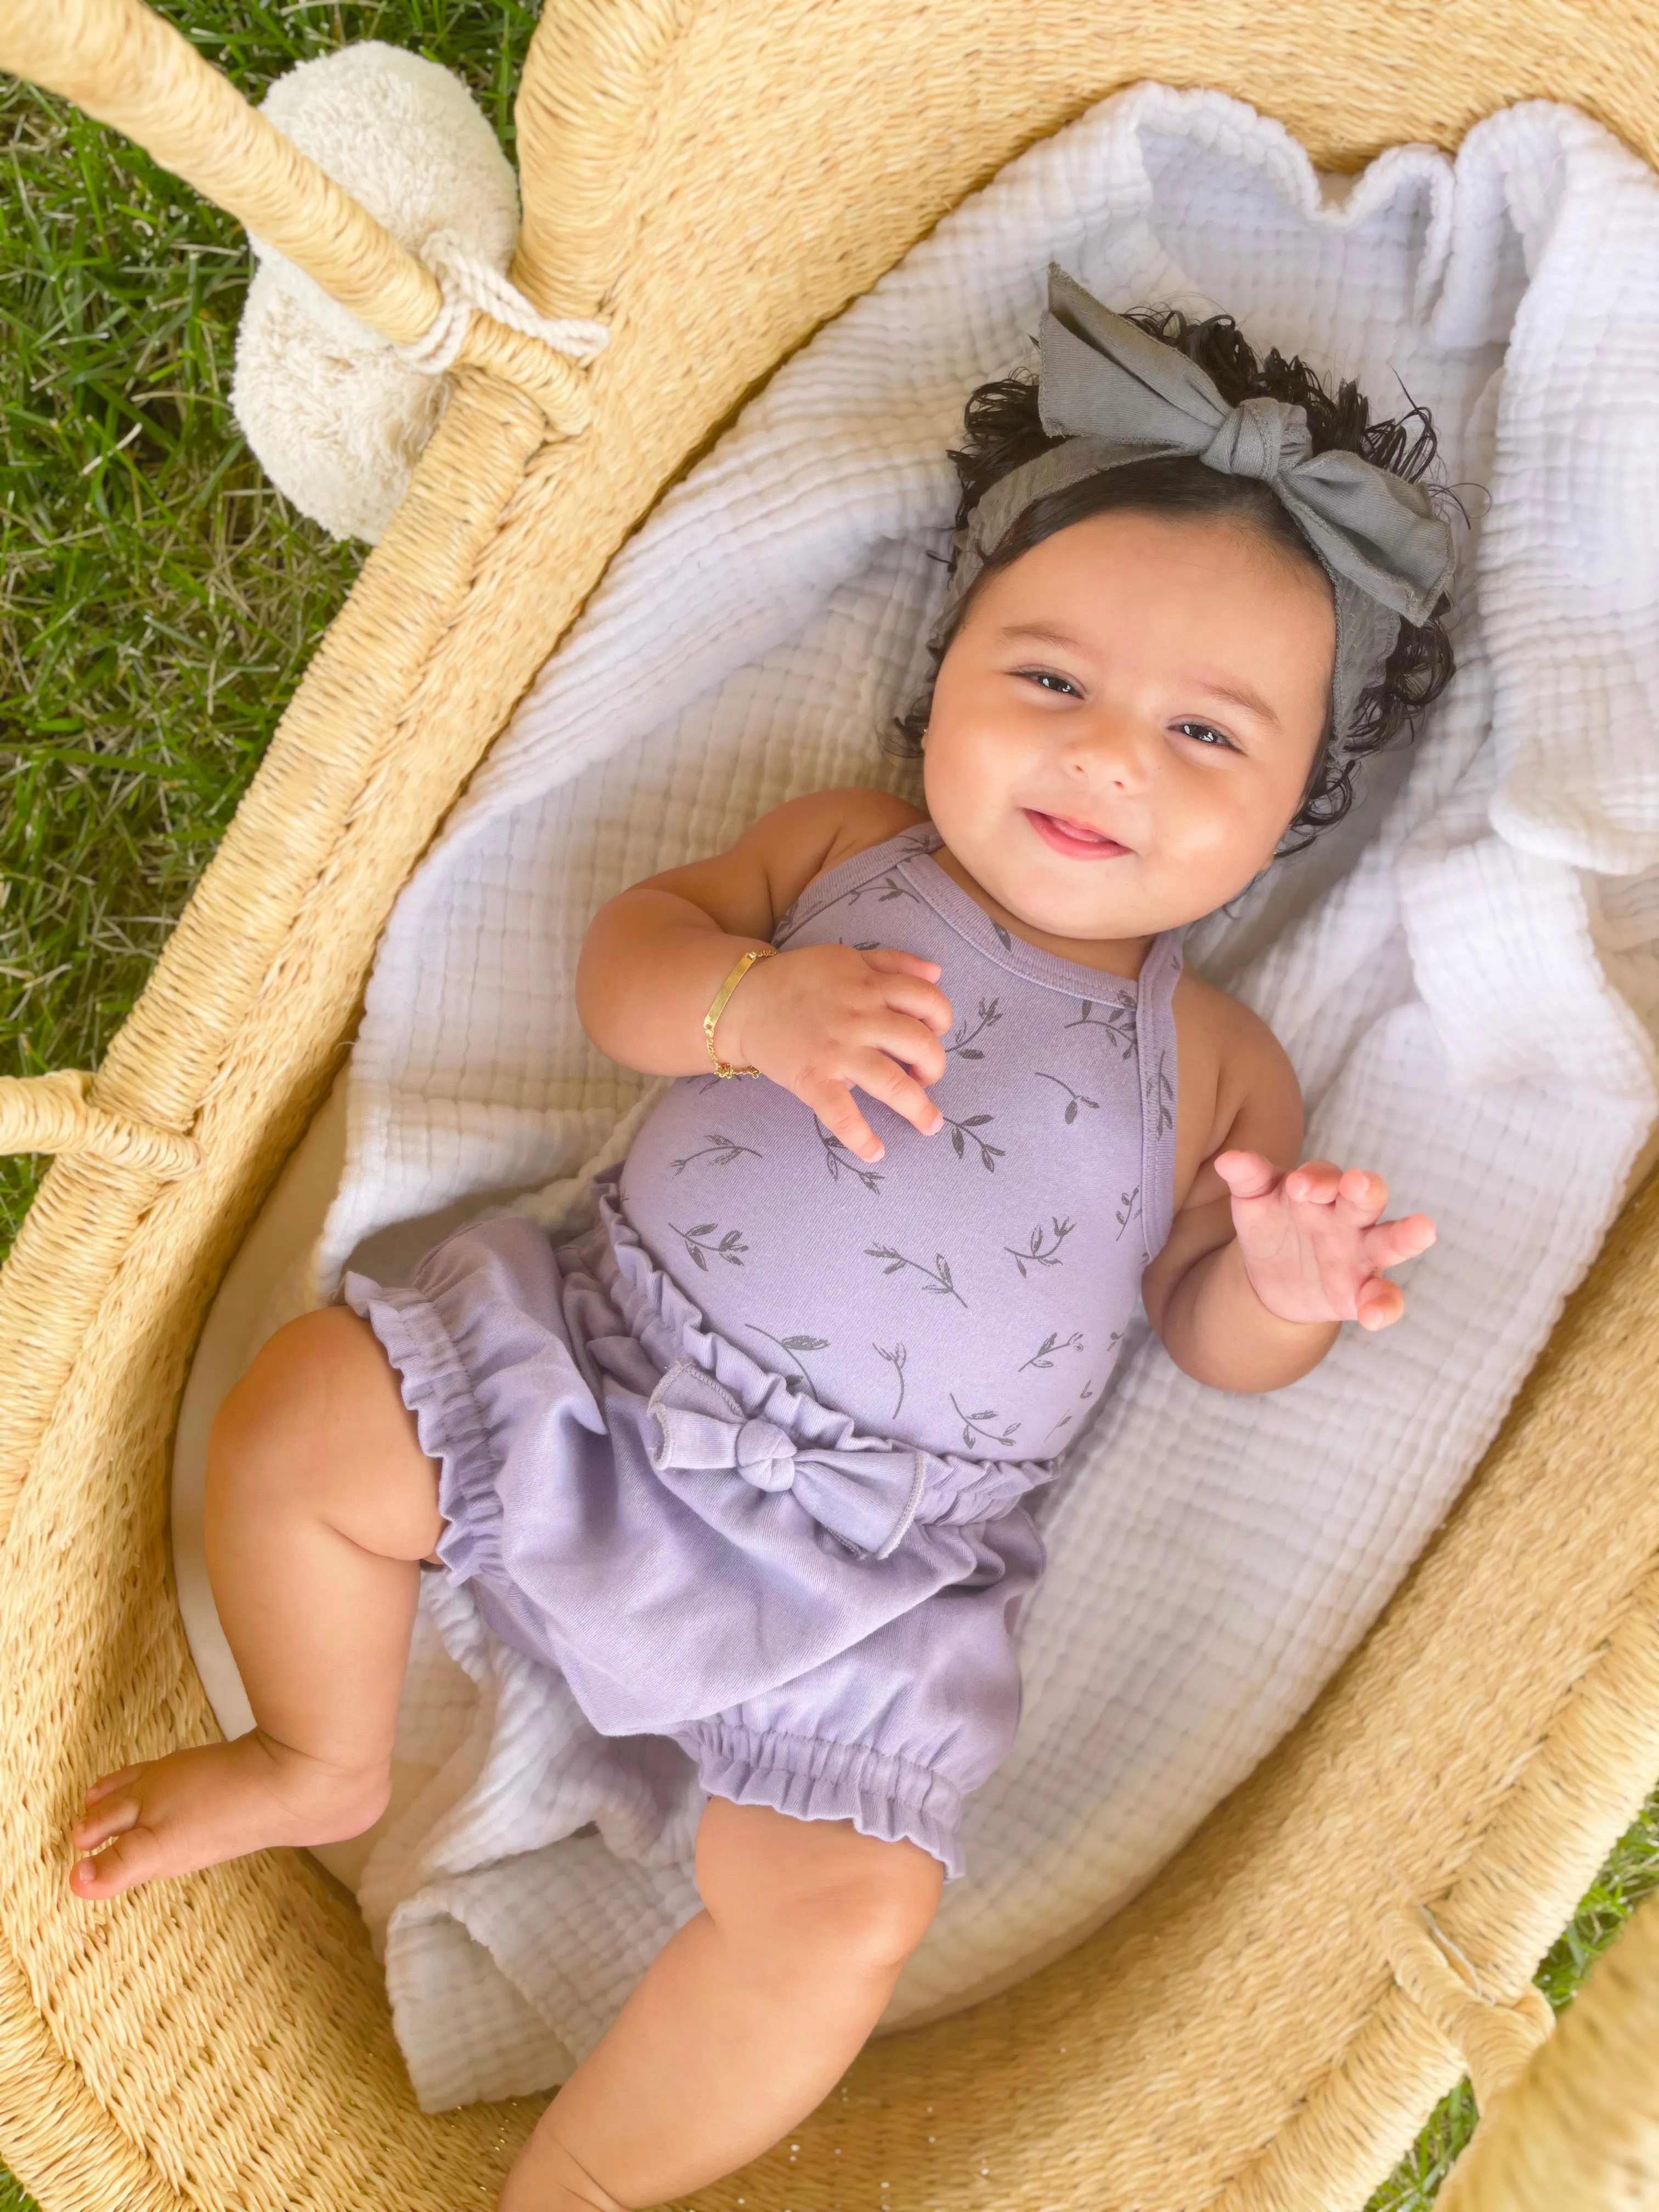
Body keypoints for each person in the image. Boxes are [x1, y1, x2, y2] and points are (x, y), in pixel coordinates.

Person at [70, 269, 1455, 2212]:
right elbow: (624, 964)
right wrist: (743, 1008)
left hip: (875, 1584)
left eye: (1206, 738)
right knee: (313, 1417)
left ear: (1294, 811)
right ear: (948, 661)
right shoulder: (839, 852)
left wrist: (1284, 1286)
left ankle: (579, 2190)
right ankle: (321, 1750)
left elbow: (1205, 1329)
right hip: (601, 1377)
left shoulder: (1219, 1066)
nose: (1107, 759)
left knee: (840, 1920)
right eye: (1047, 681)